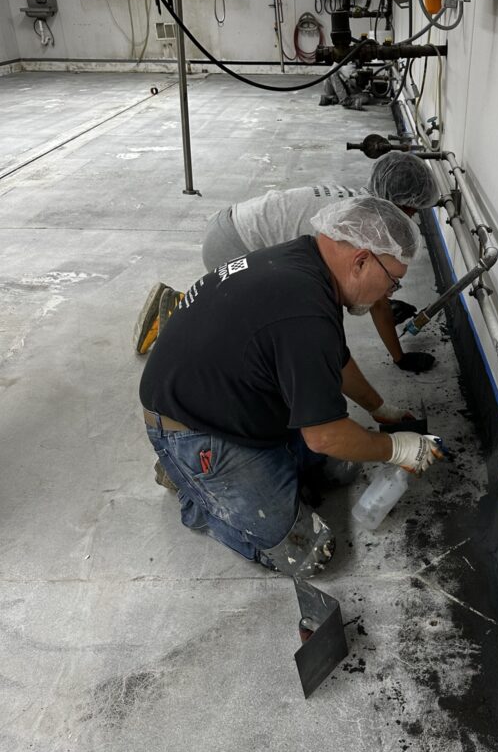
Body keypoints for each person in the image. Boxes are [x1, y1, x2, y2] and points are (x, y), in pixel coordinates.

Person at [139, 196, 444, 579]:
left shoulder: (307, 260)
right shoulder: (305, 311)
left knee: (344, 469)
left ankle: (232, 475)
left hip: (227, 396)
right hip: (194, 429)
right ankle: (197, 492)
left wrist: (380, 409)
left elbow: (335, 357)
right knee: (310, 554)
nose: (390, 293)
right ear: (362, 260)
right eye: (392, 281)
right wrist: (398, 448)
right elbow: (324, 436)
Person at [133, 152, 441, 373]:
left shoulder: (361, 198)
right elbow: (361, 305)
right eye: (412, 210)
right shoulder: (368, 227)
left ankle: (178, 302)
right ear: (399, 201)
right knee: (254, 333)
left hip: (230, 223)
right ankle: (174, 317)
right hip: (235, 244)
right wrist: (399, 358)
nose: (411, 217)